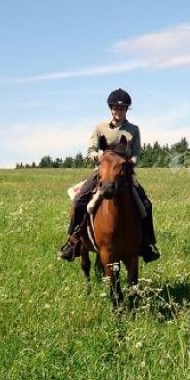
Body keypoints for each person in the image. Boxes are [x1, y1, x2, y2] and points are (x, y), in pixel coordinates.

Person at [57, 88, 160, 263]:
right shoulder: (100, 127)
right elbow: (90, 151)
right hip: (103, 172)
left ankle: (147, 244)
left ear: (127, 110)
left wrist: (129, 161)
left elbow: (136, 152)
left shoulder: (134, 130)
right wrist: (100, 157)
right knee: (79, 201)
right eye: (115, 108)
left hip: (123, 174)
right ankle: (72, 242)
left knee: (146, 204)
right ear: (110, 109)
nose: (118, 111)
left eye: (122, 109)